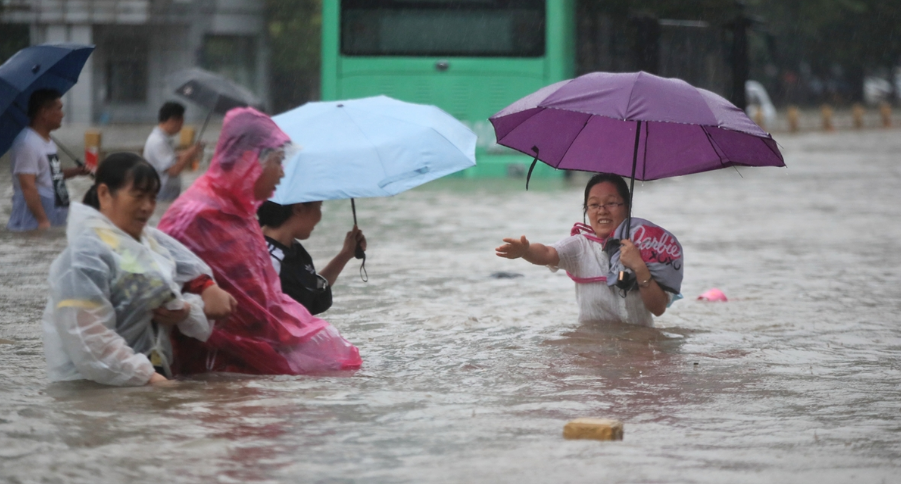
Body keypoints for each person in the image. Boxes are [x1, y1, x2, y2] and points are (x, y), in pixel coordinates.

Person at [157, 107, 362, 375]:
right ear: (250, 160)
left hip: (245, 357)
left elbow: (266, 297)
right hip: (206, 363)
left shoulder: (242, 216)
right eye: (277, 161)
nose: (281, 173)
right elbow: (158, 277)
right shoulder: (197, 213)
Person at [42, 153, 237, 386]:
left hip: (149, 376)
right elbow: (89, 341)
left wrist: (191, 305)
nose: (147, 207)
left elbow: (189, 271)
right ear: (105, 194)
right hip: (97, 389)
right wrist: (152, 380)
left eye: (153, 198)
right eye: (138, 196)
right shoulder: (83, 258)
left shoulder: (150, 243)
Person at [495, 174, 684, 327]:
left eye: (611, 203)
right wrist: (526, 250)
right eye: (593, 205)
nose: (601, 210)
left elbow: (658, 309)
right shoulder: (579, 246)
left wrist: (639, 266)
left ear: (627, 207)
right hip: (593, 350)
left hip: (639, 348)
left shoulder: (649, 246)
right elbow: (547, 253)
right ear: (586, 210)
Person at [257, 200, 367, 315]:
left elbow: (310, 296)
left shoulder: (292, 247)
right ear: (298, 209)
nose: (320, 216)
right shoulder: (266, 260)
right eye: (319, 206)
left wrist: (346, 254)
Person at [7, 89, 90, 231]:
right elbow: (28, 186)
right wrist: (43, 220)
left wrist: (76, 171)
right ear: (44, 113)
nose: (62, 114)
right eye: (59, 109)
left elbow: (50, 175)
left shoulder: (47, 140)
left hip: (55, 219)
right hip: (31, 225)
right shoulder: (27, 143)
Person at [142, 101, 204, 201]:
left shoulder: (163, 139)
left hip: (167, 196)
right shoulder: (158, 142)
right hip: (161, 198)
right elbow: (173, 170)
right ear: (172, 121)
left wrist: (189, 152)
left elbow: (171, 157)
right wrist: (190, 153)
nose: (181, 128)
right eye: (180, 123)